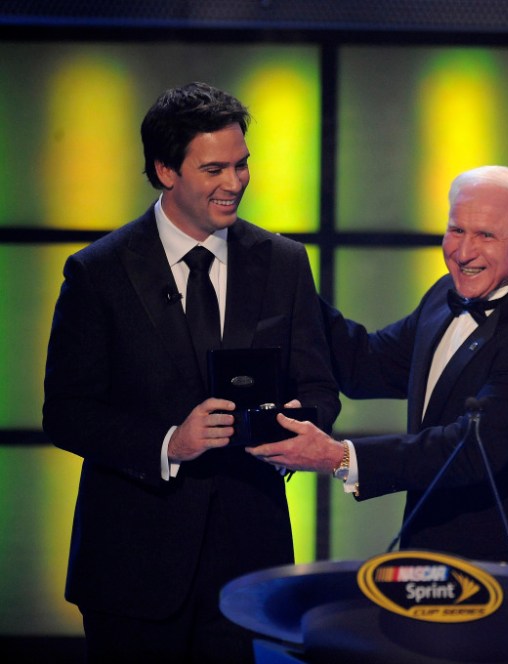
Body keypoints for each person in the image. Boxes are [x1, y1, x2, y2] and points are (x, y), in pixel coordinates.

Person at [42, 82, 340, 663]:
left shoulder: (283, 262)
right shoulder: (98, 272)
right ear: (165, 171)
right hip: (133, 568)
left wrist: (297, 423)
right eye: (214, 169)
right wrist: (170, 443)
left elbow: (318, 385)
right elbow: (67, 413)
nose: (236, 182)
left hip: (248, 562)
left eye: (241, 164)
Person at [251, 165, 508, 576]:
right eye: (456, 230)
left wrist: (339, 457)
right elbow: (367, 364)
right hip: (437, 558)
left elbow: (469, 451)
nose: (464, 252)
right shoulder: (445, 293)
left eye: (486, 235)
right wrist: (291, 282)